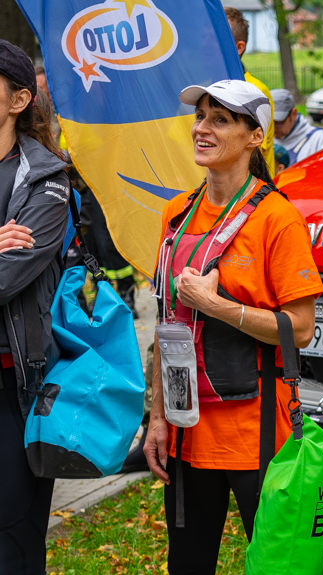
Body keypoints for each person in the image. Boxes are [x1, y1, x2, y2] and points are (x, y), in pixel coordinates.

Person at [142, 78, 321, 573]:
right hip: (185, 428)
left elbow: (300, 329)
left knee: (271, 565)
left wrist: (218, 305)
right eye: (200, 117)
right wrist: (157, 416)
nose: (202, 128)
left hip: (255, 434)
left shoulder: (276, 218)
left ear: (254, 136)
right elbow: (166, 321)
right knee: (188, 564)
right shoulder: (176, 213)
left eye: (220, 120)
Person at [0, 39, 71, 574]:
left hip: (14, 390)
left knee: (15, 545)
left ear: (19, 99)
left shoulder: (46, 178)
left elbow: (10, 278)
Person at [224, 7, 276, 177]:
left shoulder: (255, 91)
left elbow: (251, 153)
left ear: (239, 48)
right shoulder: (200, 90)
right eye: (204, 38)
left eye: (215, 39)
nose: (204, 46)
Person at [271, 89, 323, 168]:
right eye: (270, 123)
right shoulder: (263, 140)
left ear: (294, 114)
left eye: (278, 122)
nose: (273, 129)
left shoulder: (318, 139)